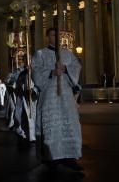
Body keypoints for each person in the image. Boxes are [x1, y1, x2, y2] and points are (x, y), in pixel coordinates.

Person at [31, 28, 83, 171]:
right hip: (49, 94)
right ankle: (51, 156)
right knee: (51, 124)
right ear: (47, 36)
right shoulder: (40, 54)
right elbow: (35, 71)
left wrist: (66, 69)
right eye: (54, 35)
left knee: (70, 122)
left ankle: (69, 156)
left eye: (58, 35)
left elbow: (76, 66)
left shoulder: (67, 53)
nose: (57, 38)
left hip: (65, 94)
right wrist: (51, 72)